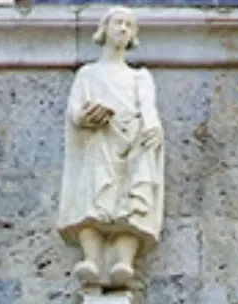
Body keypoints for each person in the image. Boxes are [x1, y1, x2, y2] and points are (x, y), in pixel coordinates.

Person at [57, 7, 164, 287]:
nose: (124, 29)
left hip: (133, 139)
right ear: (104, 29)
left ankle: (122, 261)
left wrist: (152, 129)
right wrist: (86, 117)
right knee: (93, 195)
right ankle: (92, 258)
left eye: (130, 25)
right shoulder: (88, 74)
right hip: (99, 140)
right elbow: (74, 112)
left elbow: (148, 109)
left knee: (132, 200)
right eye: (118, 23)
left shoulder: (139, 77)